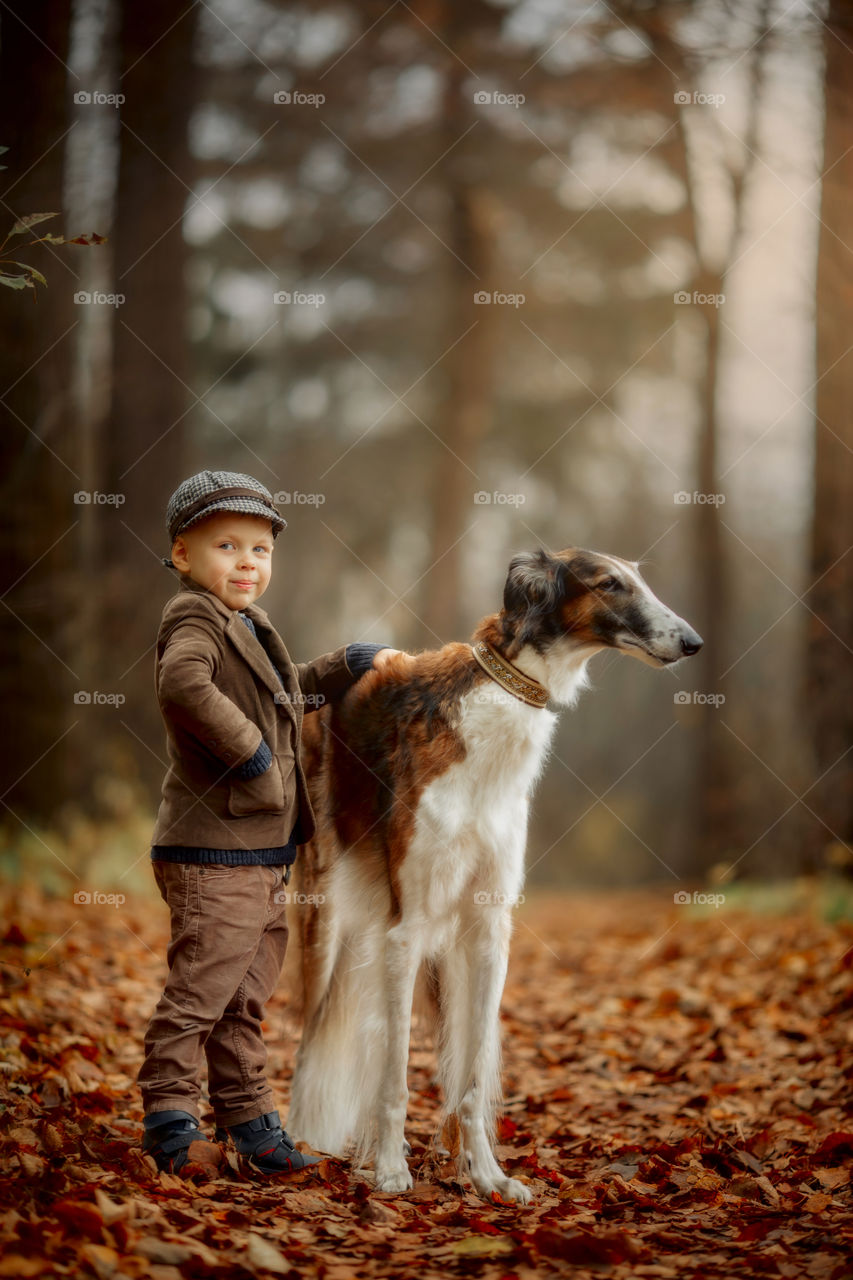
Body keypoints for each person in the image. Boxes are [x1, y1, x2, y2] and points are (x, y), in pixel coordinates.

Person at [138, 470, 396, 1177]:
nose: (248, 562)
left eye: (260, 548)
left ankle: (250, 1123)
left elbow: (287, 693)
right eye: (226, 545)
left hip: (258, 852)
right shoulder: (192, 617)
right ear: (183, 556)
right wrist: (253, 756)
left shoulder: (246, 624)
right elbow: (182, 686)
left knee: (241, 997)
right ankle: (168, 1121)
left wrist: (345, 665)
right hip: (210, 848)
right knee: (201, 991)